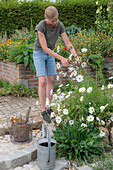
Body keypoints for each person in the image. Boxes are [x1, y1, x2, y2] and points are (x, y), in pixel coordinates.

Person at [33, 6, 78, 123]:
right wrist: (61, 58)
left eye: (56, 19)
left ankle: (49, 107)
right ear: (46, 18)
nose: (55, 22)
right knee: (42, 81)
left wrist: (74, 52)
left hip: (51, 53)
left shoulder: (60, 25)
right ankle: (43, 110)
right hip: (40, 53)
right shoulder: (41, 26)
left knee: (51, 80)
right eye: (53, 21)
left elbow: (67, 41)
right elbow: (44, 48)